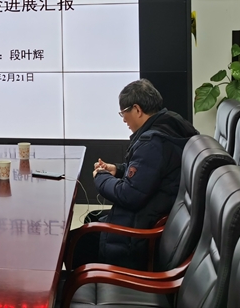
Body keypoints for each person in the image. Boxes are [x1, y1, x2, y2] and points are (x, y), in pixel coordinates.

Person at [71, 79, 198, 271]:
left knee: (75, 242)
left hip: (138, 238)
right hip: (153, 215)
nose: (123, 119)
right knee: (91, 218)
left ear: (137, 109)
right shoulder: (172, 125)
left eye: (123, 112)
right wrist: (118, 169)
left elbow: (128, 195)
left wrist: (100, 177)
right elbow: (151, 173)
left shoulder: (152, 143)